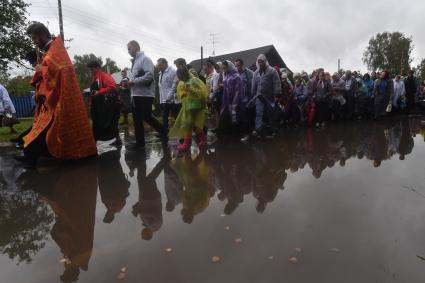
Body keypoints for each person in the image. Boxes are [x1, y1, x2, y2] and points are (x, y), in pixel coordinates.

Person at [21, 22, 97, 167]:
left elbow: (60, 72)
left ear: (43, 35)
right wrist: (40, 69)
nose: (34, 42)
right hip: (53, 101)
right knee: (44, 132)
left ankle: (31, 159)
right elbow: (47, 73)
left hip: (61, 100)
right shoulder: (49, 52)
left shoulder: (55, 51)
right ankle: (33, 157)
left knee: (46, 133)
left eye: (35, 38)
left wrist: (40, 69)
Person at [126, 40, 167, 149]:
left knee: (146, 117)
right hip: (135, 94)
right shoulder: (135, 62)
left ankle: (164, 131)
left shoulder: (145, 59)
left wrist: (133, 82)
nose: (128, 51)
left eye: (129, 48)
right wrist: (128, 84)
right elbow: (134, 78)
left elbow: (149, 76)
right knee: (136, 119)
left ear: (136, 47)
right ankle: (140, 143)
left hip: (145, 95)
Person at [169, 67, 208, 152]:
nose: (180, 79)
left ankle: (186, 144)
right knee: (192, 124)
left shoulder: (193, 80)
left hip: (195, 106)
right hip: (187, 106)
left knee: (188, 124)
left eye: (181, 77)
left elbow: (202, 92)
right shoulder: (184, 81)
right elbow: (183, 93)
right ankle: (203, 139)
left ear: (185, 74)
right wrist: (182, 94)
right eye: (179, 77)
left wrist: (190, 89)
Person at [87, 60, 122, 147]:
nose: (91, 71)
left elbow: (112, 87)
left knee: (109, 122)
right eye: (90, 69)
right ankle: (117, 139)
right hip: (98, 105)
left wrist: (99, 92)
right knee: (98, 123)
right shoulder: (95, 78)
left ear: (97, 68)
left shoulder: (104, 76)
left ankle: (93, 144)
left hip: (107, 105)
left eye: (92, 69)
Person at [250, 54, 281, 138]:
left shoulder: (272, 71)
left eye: (262, 62)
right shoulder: (255, 73)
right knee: (259, 113)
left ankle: (272, 130)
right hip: (259, 96)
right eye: (259, 62)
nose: (260, 63)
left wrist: (277, 94)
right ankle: (258, 130)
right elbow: (254, 85)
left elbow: (276, 83)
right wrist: (252, 94)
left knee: (270, 114)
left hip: (270, 96)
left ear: (265, 62)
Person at [219, 60, 247, 136]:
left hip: (236, 101)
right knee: (227, 118)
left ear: (229, 66)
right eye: (223, 68)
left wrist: (234, 104)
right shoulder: (227, 75)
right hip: (227, 101)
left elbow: (238, 91)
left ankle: (240, 134)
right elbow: (226, 87)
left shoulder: (236, 76)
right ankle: (231, 134)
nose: (223, 70)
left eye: (225, 68)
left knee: (237, 117)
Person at [157, 58, 180, 130]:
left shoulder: (173, 71)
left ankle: (182, 133)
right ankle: (164, 132)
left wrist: (168, 97)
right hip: (164, 100)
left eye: (160, 65)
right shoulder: (160, 73)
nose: (159, 67)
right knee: (164, 117)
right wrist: (162, 100)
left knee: (176, 116)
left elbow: (174, 85)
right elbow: (161, 88)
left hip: (172, 99)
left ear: (165, 64)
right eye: (158, 65)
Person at [235, 58, 254, 139]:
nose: (237, 68)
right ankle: (242, 133)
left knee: (246, 117)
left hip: (246, 99)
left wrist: (252, 98)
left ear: (242, 65)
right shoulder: (235, 74)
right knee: (239, 117)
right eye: (235, 66)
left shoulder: (249, 73)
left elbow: (253, 86)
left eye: (238, 66)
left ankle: (248, 133)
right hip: (237, 100)